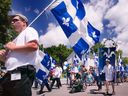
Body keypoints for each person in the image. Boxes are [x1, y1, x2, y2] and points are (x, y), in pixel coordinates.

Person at [0, 14, 39, 96]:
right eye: (12, 21)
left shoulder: (29, 30)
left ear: (24, 22)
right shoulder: (15, 39)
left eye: (15, 20)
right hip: (9, 73)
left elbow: (33, 46)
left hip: (22, 72)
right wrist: (2, 56)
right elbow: (6, 60)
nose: (12, 22)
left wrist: (13, 48)